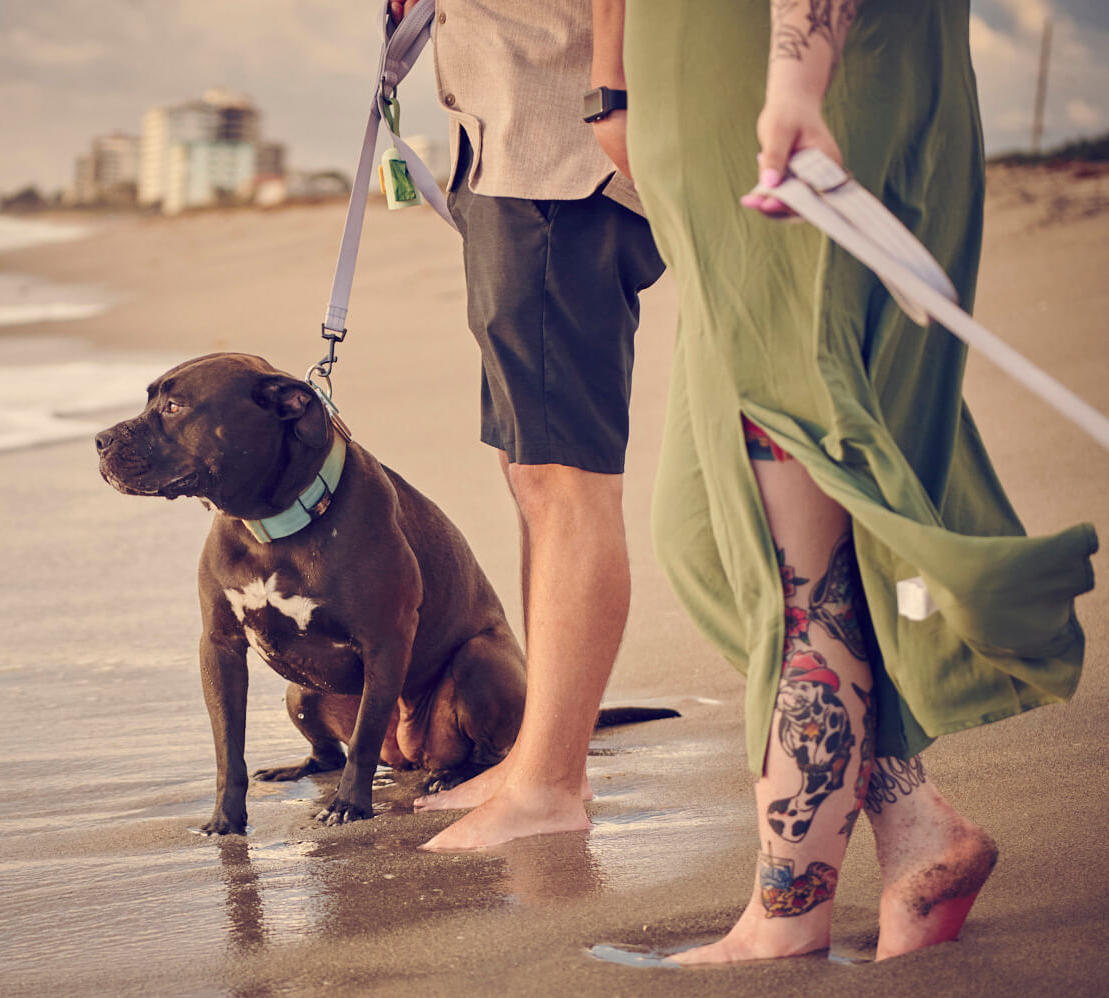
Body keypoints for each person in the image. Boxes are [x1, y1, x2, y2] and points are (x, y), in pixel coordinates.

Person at [621, 0, 1097, 962]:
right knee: (708, 535)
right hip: (711, 108)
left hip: (797, 73)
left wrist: (801, 70)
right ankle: (919, 829)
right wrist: (616, 81)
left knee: (796, 543)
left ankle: (789, 908)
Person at [385, 0, 665, 851]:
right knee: (529, 471)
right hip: (505, 142)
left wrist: (612, 90)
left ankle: (551, 783)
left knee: (565, 480)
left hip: (562, 146)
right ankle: (540, 757)